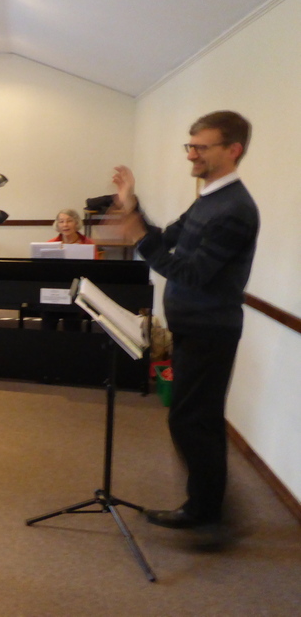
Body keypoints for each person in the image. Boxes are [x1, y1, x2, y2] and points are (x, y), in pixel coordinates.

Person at [112, 110, 259, 531]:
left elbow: (192, 274)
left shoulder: (234, 209)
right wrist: (132, 206)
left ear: (233, 150)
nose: (191, 155)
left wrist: (139, 237)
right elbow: (166, 239)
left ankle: (206, 513)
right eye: (190, 146)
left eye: (201, 147)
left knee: (192, 420)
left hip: (210, 330)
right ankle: (211, 509)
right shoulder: (209, 198)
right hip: (194, 327)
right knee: (197, 419)